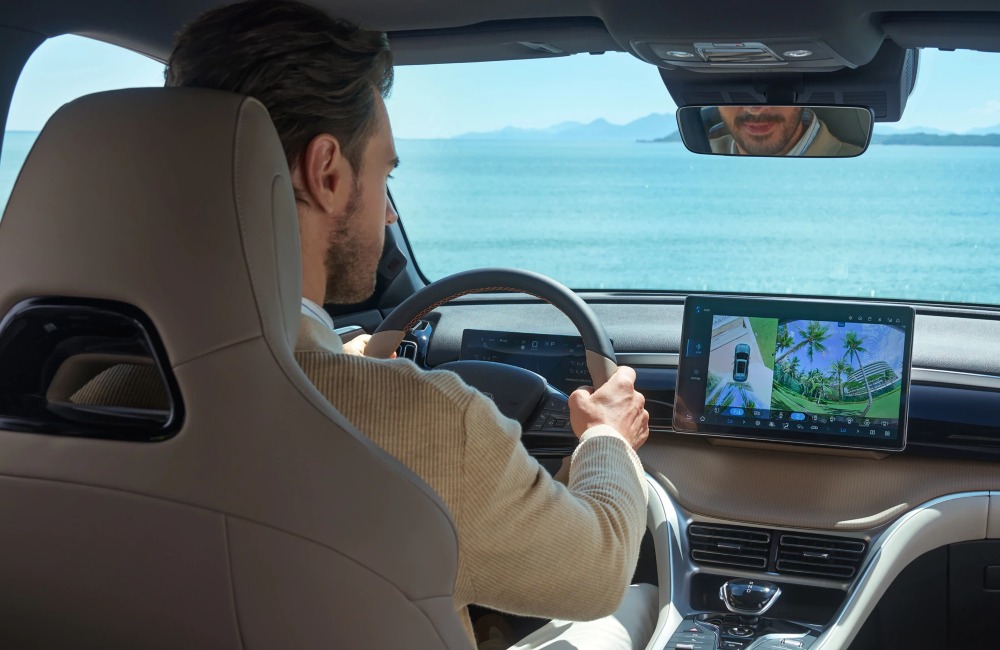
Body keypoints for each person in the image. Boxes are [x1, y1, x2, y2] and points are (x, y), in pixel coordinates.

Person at [74, 1, 657, 648]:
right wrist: (606, 439)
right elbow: (600, 566)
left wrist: (336, 360)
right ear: (326, 173)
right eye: (384, 171)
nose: (386, 215)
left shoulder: (86, 398)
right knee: (633, 607)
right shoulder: (429, 426)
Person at [710, 106, 863, 156]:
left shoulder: (859, 173)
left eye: (776, 88)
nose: (755, 109)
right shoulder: (697, 162)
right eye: (735, 92)